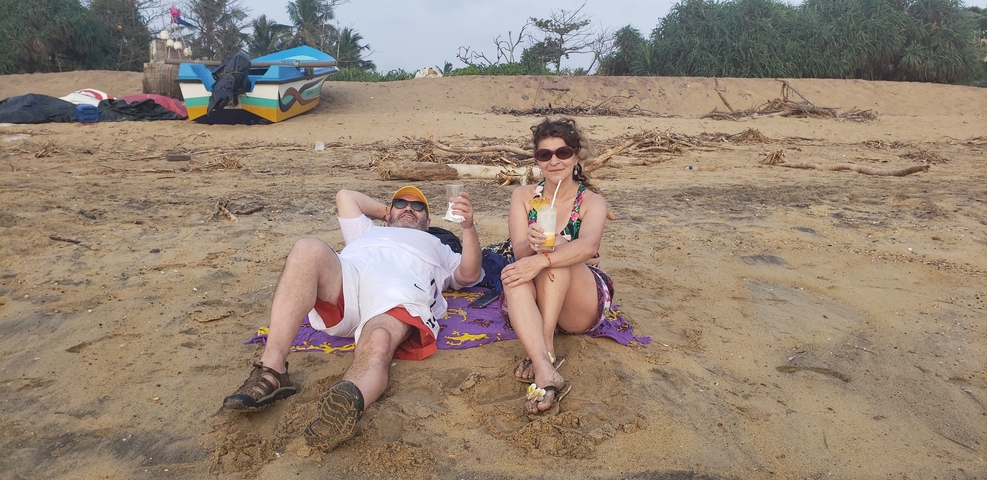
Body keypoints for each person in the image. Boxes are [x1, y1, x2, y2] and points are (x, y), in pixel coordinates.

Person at [222, 186, 483, 452]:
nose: (408, 208)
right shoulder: (366, 231)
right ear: (388, 211)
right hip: (348, 280)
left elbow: (468, 275)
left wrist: (468, 227)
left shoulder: (437, 245)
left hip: (397, 290)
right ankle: (273, 372)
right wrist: (386, 213)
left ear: (428, 222)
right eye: (401, 203)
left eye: (417, 207)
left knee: (379, 339)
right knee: (307, 248)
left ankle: (346, 401)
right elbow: (344, 196)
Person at [499, 118, 611, 415]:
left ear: (575, 155)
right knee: (514, 276)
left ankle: (544, 345)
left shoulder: (591, 201)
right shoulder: (525, 197)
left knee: (559, 253)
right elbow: (519, 250)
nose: (554, 161)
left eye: (562, 152)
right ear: (537, 160)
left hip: (578, 300)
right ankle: (544, 367)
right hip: (538, 287)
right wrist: (533, 247)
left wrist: (549, 252)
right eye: (545, 155)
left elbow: (587, 247)